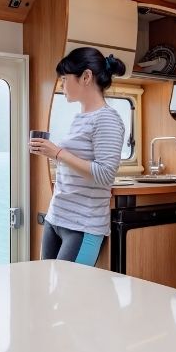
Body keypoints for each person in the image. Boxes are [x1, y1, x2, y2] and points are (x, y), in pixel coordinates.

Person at [29, 47, 127, 265]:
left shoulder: (107, 119)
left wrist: (57, 152)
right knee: (48, 290)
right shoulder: (80, 117)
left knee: (70, 295)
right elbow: (74, 164)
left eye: (65, 78)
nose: (61, 84)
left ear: (86, 76)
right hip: (56, 217)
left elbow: (105, 174)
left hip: (82, 225)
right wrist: (52, 154)